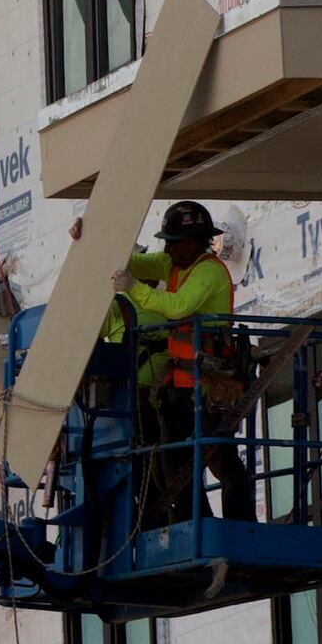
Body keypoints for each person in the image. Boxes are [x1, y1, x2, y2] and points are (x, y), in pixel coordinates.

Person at [123, 200, 254, 527]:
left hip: (211, 383)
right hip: (182, 384)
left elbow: (178, 306)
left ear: (195, 242)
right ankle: (195, 525)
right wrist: (94, 239)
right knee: (174, 461)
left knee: (219, 457)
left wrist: (133, 289)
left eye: (173, 242)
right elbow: (132, 262)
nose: (167, 249)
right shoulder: (173, 264)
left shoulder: (209, 271)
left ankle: (240, 525)